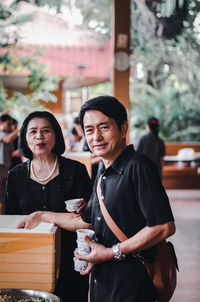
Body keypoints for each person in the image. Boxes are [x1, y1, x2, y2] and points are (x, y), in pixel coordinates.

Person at [17, 97, 175, 302]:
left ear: (123, 128)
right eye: (89, 130)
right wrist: (40, 216)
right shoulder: (103, 172)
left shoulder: (137, 167)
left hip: (132, 287)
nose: (96, 137)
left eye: (104, 127)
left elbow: (163, 227)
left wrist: (111, 252)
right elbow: (82, 221)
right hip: (103, 285)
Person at [4, 111, 92, 302]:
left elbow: (90, 219)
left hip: (72, 260)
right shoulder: (16, 175)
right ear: (25, 138)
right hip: (30, 262)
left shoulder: (76, 171)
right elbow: (12, 221)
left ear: (56, 135)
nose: (39, 137)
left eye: (46, 131)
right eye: (33, 132)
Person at [0, 114, 19, 214]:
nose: (10, 126)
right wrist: (19, 129)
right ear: (1, 123)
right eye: (8, 123)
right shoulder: (3, 134)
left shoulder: (8, 134)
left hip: (6, 168)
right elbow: (7, 139)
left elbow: (10, 153)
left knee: (3, 197)